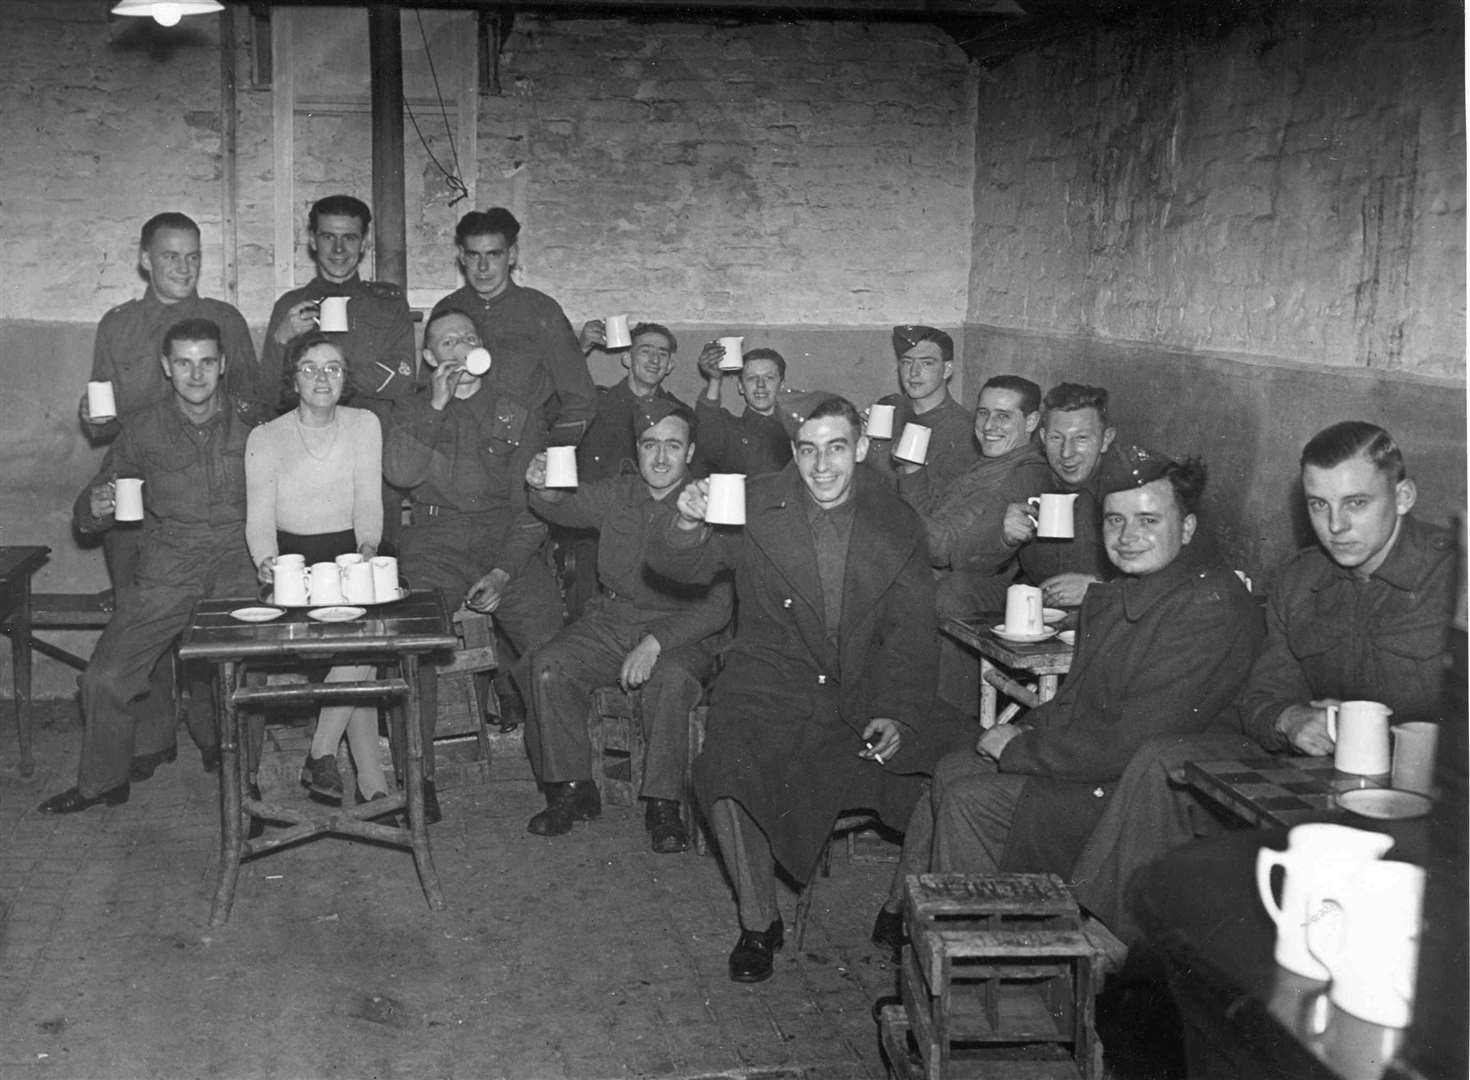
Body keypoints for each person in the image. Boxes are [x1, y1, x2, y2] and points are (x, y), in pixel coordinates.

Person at [1068, 422, 1456, 945]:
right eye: (1319, 505)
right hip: (1322, 783)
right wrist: (1291, 720)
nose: (1335, 525)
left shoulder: (1455, 579)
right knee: (1163, 761)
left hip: (1434, 807)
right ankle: (1125, 953)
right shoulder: (1302, 580)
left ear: (1403, 496)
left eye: (1356, 503)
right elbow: (1263, 696)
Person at [872, 452, 1263, 950]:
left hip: (1143, 801)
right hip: (1103, 769)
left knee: (972, 801)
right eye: (1115, 521)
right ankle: (922, 936)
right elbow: (1077, 702)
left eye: (1148, 521)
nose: (1127, 536)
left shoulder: (1207, 609)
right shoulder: (1137, 591)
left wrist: (1018, 750)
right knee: (952, 769)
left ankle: (982, 963)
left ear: (1186, 528)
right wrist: (1027, 732)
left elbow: (1132, 741)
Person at [646, 397, 946, 983]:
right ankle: (759, 920)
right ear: (794, 452)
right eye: (807, 450)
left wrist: (899, 713)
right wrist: (686, 519)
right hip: (769, 682)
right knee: (722, 771)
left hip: (863, 690)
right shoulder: (756, 502)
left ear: (861, 449)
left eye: (836, 448)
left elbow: (912, 634)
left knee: (953, 765)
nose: (822, 466)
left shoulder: (897, 520)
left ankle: (899, 906)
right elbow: (679, 565)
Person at [39, 318, 267, 815]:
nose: (196, 373)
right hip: (168, 563)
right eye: (183, 362)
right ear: (167, 367)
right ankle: (103, 781)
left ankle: (245, 789)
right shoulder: (142, 426)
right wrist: (93, 507)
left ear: (223, 364)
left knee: (241, 676)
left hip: (237, 562)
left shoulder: (254, 421)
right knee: (104, 677)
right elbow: (97, 499)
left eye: (206, 361)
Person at [522, 400, 732, 852]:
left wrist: (657, 643)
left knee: (670, 680)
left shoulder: (711, 502)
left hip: (682, 629)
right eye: (649, 445)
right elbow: (563, 507)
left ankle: (663, 804)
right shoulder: (620, 492)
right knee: (549, 665)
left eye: (672, 446)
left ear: (690, 451)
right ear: (637, 449)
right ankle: (573, 789)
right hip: (612, 621)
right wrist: (542, 487)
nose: (659, 458)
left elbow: (718, 608)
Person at [382, 308, 566, 823]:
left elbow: (534, 506)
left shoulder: (516, 413)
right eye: (446, 342)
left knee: (550, 640)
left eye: (467, 338)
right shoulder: (411, 410)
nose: (459, 349)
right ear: (428, 357)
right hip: (434, 542)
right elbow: (399, 473)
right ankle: (418, 779)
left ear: (483, 348)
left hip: (503, 541)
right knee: (414, 643)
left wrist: (505, 570)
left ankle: (563, 778)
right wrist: (435, 406)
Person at [245, 333, 389, 806]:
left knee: (362, 643)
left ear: (347, 378)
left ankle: (323, 754)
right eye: (309, 368)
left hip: (350, 559)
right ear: (293, 378)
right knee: (360, 660)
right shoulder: (265, 437)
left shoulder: (365, 424)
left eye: (333, 368)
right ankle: (373, 788)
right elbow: (259, 521)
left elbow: (369, 501)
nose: (322, 378)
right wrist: (268, 566)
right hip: (293, 566)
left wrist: (367, 550)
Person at [429, 208, 596, 447]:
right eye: (474, 255)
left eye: (494, 254)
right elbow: (427, 390)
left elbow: (581, 399)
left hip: (522, 450)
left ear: (512, 255)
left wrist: (551, 456)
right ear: (462, 257)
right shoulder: (447, 311)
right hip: (457, 445)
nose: (483, 267)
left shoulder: (541, 310)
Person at [895, 376, 1054, 618]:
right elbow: (934, 518)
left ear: (1031, 421)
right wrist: (911, 470)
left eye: (1003, 416)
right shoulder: (989, 462)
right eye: (983, 413)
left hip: (974, 596)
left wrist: (891, 509)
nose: (989, 425)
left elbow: (941, 548)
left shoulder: (1022, 474)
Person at [561, 322, 689, 618]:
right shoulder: (594, 405)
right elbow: (554, 408)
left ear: (670, 365)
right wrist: (578, 352)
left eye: (662, 354)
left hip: (657, 531)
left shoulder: (680, 416)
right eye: (645, 351)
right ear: (626, 358)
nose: (654, 360)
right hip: (595, 532)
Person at [260, 194, 417, 417]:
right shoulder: (290, 306)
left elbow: (403, 380)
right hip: (306, 438)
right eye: (328, 237)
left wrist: (326, 379)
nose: (339, 249)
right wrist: (281, 340)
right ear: (313, 241)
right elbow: (268, 395)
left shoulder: (388, 305)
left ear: (363, 243)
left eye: (350, 238)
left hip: (372, 435)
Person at [865, 325, 981, 495]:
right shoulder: (889, 408)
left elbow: (945, 503)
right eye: (907, 362)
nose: (914, 373)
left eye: (926, 363)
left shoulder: (963, 430)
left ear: (947, 369)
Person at [690, 344, 795, 477]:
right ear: (740, 386)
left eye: (769, 378)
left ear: (781, 385)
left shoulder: (797, 431)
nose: (760, 385)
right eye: (751, 378)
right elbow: (707, 423)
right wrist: (715, 380)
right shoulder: (729, 431)